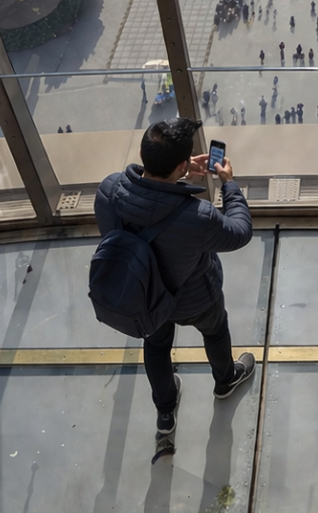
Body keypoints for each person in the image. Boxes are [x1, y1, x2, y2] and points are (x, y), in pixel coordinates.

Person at [94, 119, 258, 435]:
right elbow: (240, 232)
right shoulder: (197, 216)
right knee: (215, 331)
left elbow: (132, 206)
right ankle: (225, 380)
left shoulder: (108, 190)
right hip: (195, 298)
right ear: (183, 163)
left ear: (143, 153)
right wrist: (228, 184)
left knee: (156, 347)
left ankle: (166, 411)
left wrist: (176, 173)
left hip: (143, 296)